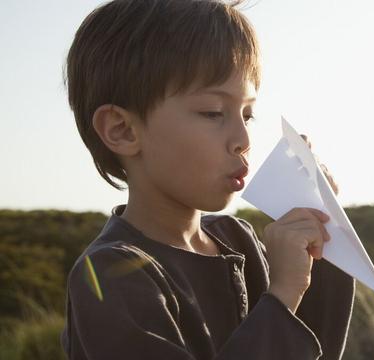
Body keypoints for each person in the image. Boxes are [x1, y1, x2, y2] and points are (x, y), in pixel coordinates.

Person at [60, 0, 356, 359]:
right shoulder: (110, 276)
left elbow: (314, 347)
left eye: (247, 115)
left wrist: (320, 234)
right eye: (213, 112)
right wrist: (281, 295)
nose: (243, 141)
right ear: (122, 130)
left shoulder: (239, 239)